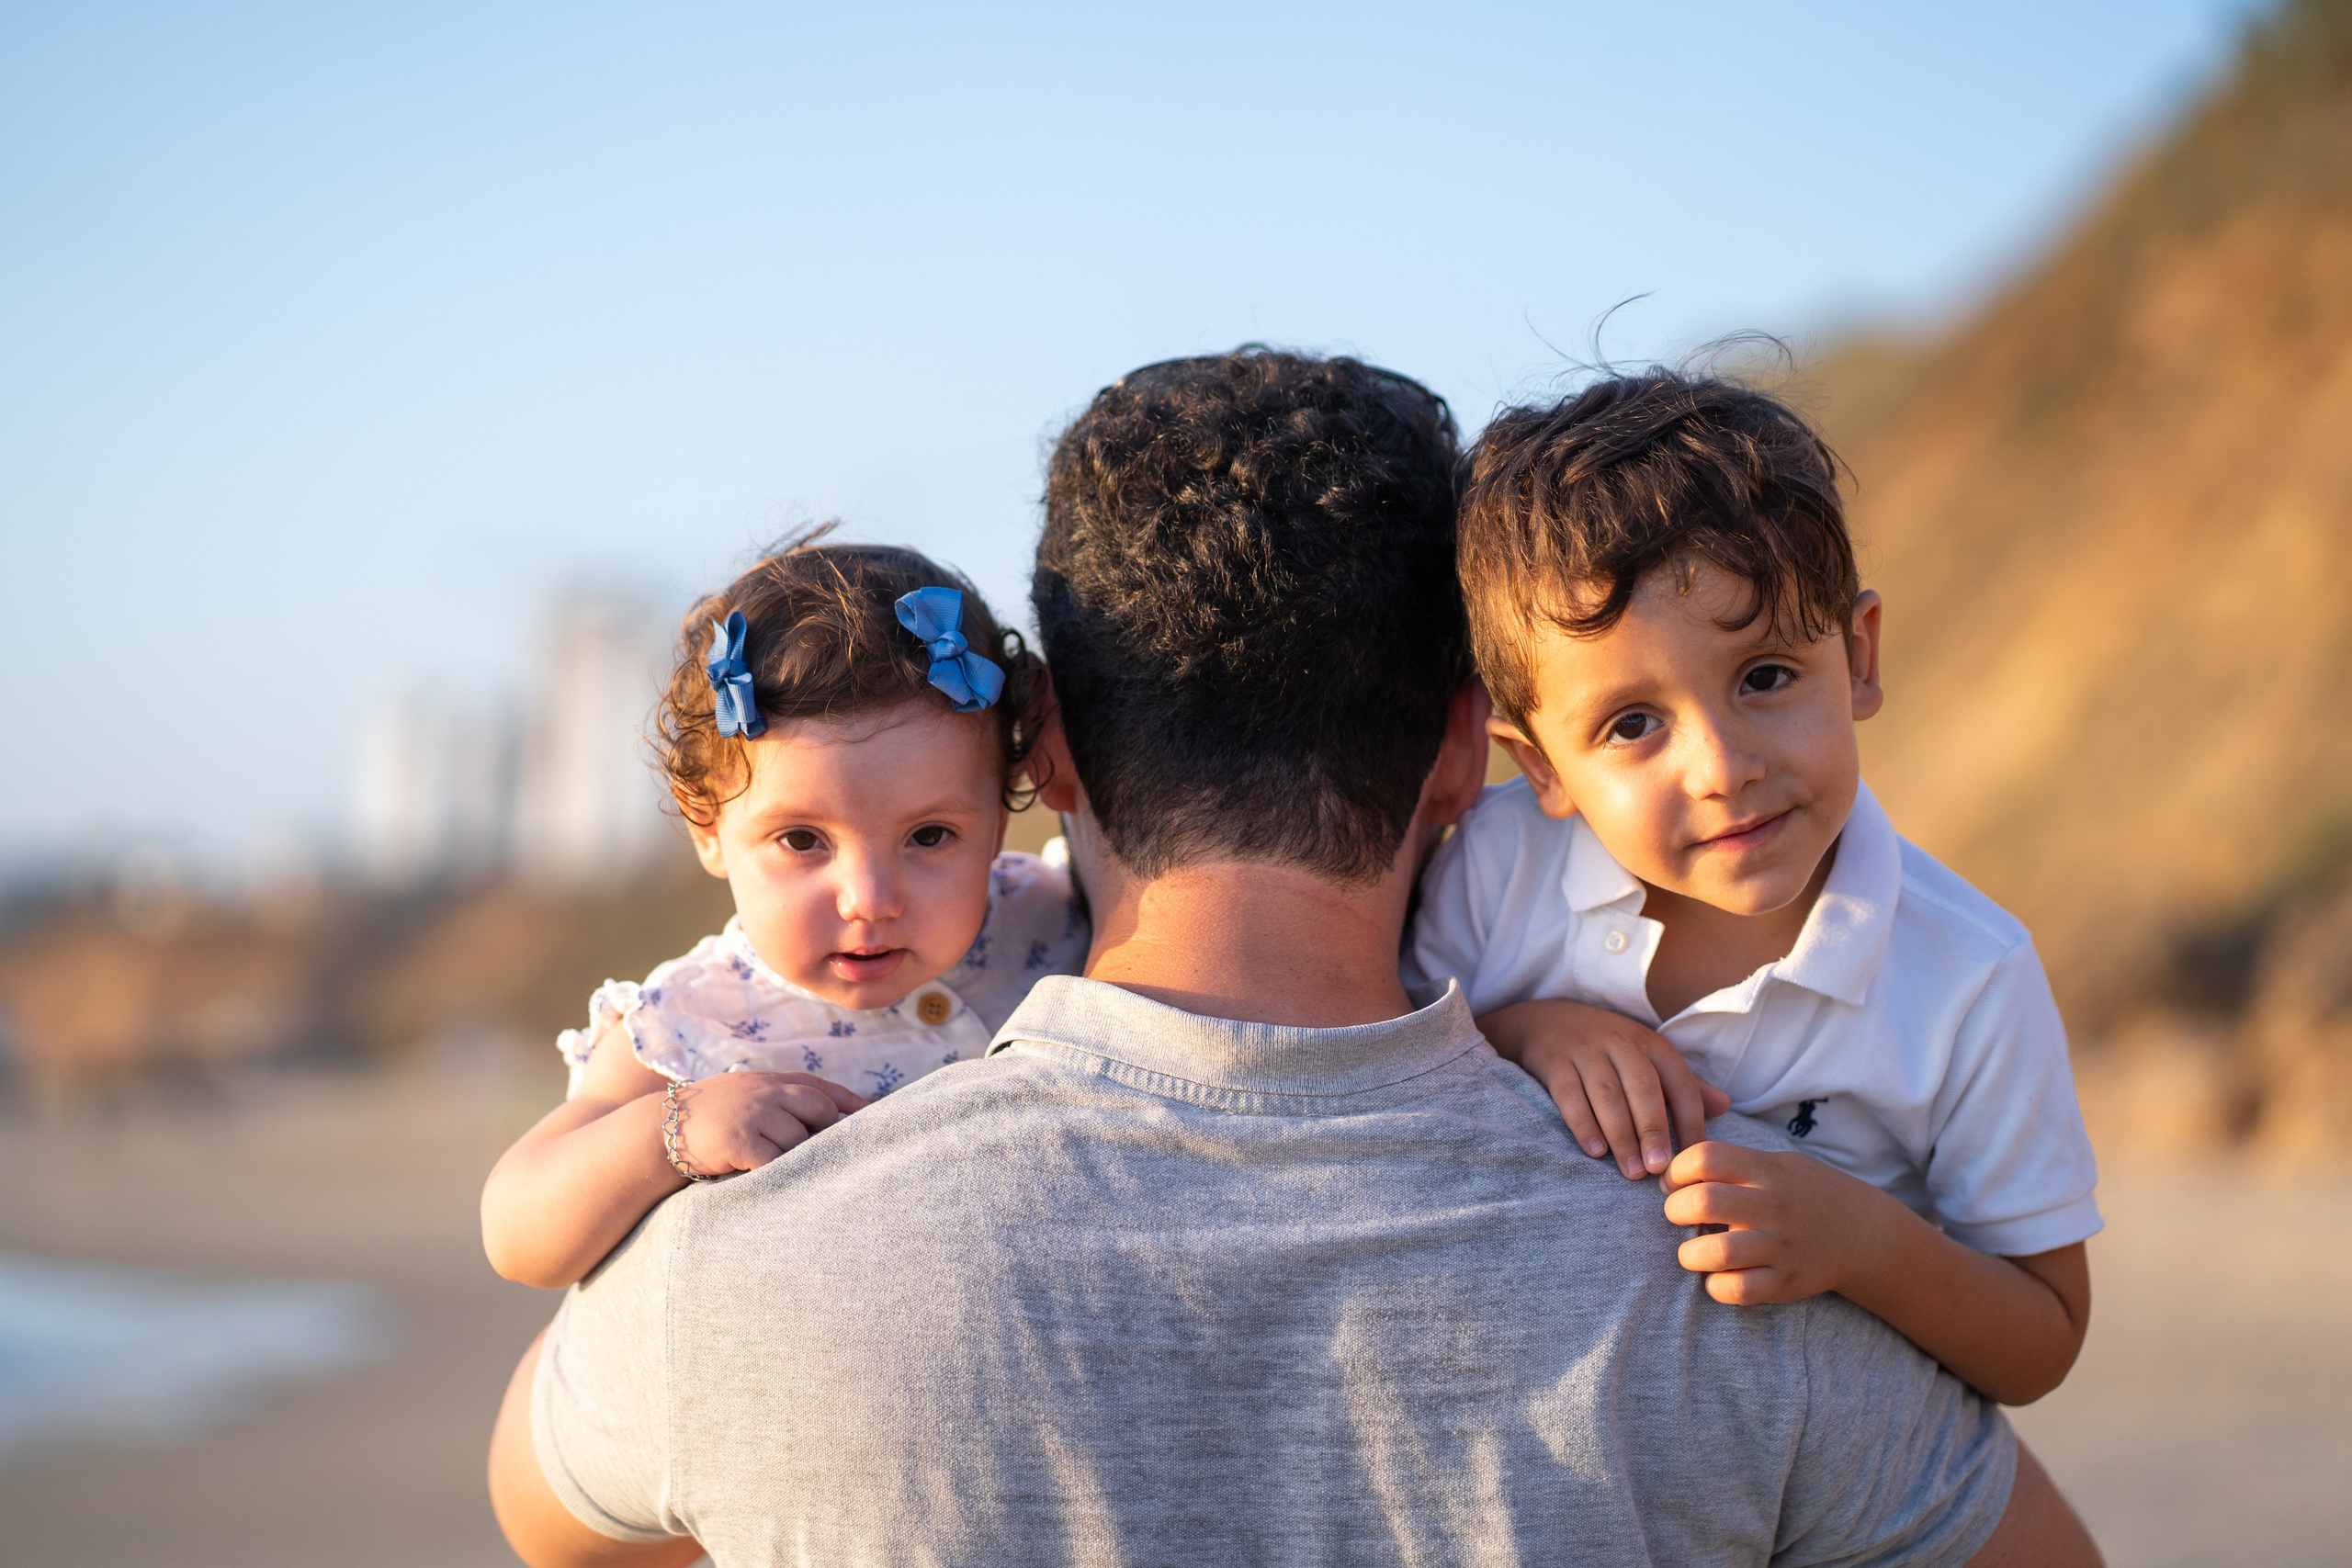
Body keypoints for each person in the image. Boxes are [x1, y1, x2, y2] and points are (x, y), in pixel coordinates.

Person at [490, 348, 2099, 1565]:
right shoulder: (1742, 1260)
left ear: (1040, 743)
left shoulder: (737, 1274)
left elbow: (544, 1509)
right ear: (1477, 751)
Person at [1407, 369, 2100, 1405]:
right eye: (1632, 725)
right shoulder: (1492, 876)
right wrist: (1525, 1033)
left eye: (1765, 675)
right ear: (1542, 767)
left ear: (1856, 658)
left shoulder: (1966, 977)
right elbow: (1379, 1085)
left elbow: (2042, 1336)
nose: (1723, 766)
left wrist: (1863, 1240)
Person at [480, 534, 1088, 1290]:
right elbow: (516, 1227)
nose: (870, 898)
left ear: (998, 817)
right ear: (708, 826)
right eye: (802, 840)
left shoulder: (1055, 917)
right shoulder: (693, 1023)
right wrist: (670, 1131)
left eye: (930, 836)